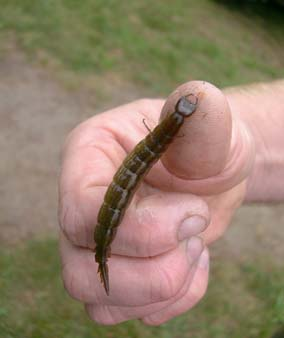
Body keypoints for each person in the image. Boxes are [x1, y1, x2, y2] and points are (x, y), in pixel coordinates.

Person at [58, 80, 284, 325]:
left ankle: (102, 257)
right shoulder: (165, 136)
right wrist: (238, 149)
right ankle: (102, 257)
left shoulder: (162, 136)